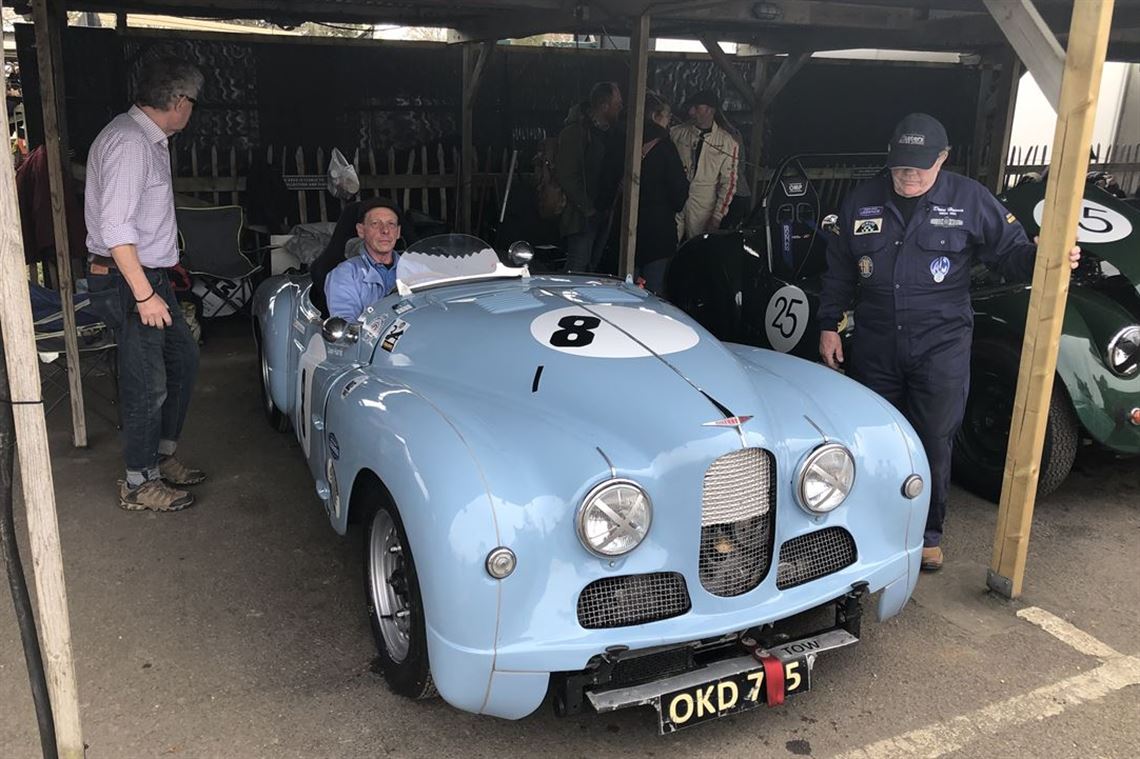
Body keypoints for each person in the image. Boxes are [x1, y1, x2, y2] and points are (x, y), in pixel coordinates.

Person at [817, 113, 1080, 572]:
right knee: (873, 439)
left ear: (943, 159)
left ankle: (926, 534)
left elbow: (1013, 256)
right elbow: (839, 271)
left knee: (934, 439)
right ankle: (870, 530)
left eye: (919, 166)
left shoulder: (971, 200)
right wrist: (828, 324)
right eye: (900, 166)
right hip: (876, 343)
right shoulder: (862, 201)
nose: (908, 175)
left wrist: (1048, 258)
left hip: (941, 346)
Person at [85, 55, 205, 512]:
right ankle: (138, 482)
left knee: (183, 358)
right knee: (146, 383)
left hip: (148, 277)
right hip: (127, 279)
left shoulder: (150, 140)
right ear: (178, 101)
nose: (191, 111)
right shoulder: (131, 143)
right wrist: (144, 293)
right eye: (191, 102)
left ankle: (160, 456)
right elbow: (116, 229)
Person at [555, 81, 624, 272]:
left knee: (592, 265)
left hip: (603, 210)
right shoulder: (575, 133)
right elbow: (566, 175)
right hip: (582, 215)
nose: (621, 108)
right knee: (578, 265)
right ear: (604, 106)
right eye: (617, 104)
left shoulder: (609, 133)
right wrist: (587, 209)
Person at [635, 92, 689, 295]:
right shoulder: (666, 148)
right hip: (658, 231)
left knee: (624, 289)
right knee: (654, 293)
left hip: (625, 232)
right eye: (667, 116)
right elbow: (679, 193)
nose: (669, 122)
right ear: (656, 116)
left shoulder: (625, 139)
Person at [670, 89, 739, 240]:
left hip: (704, 205)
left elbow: (729, 183)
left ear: (710, 110)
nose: (691, 112)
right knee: (668, 246)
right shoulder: (676, 133)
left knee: (699, 250)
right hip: (676, 200)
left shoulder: (728, 143)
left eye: (696, 107)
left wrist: (717, 217)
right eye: (691, 107)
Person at [325, 197, 402, 321]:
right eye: (375, 224)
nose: (385, 230)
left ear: (398, 232)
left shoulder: (415, 269)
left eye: (391, 224)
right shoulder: (345, 274)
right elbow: (347, 326)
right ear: (361, 230)